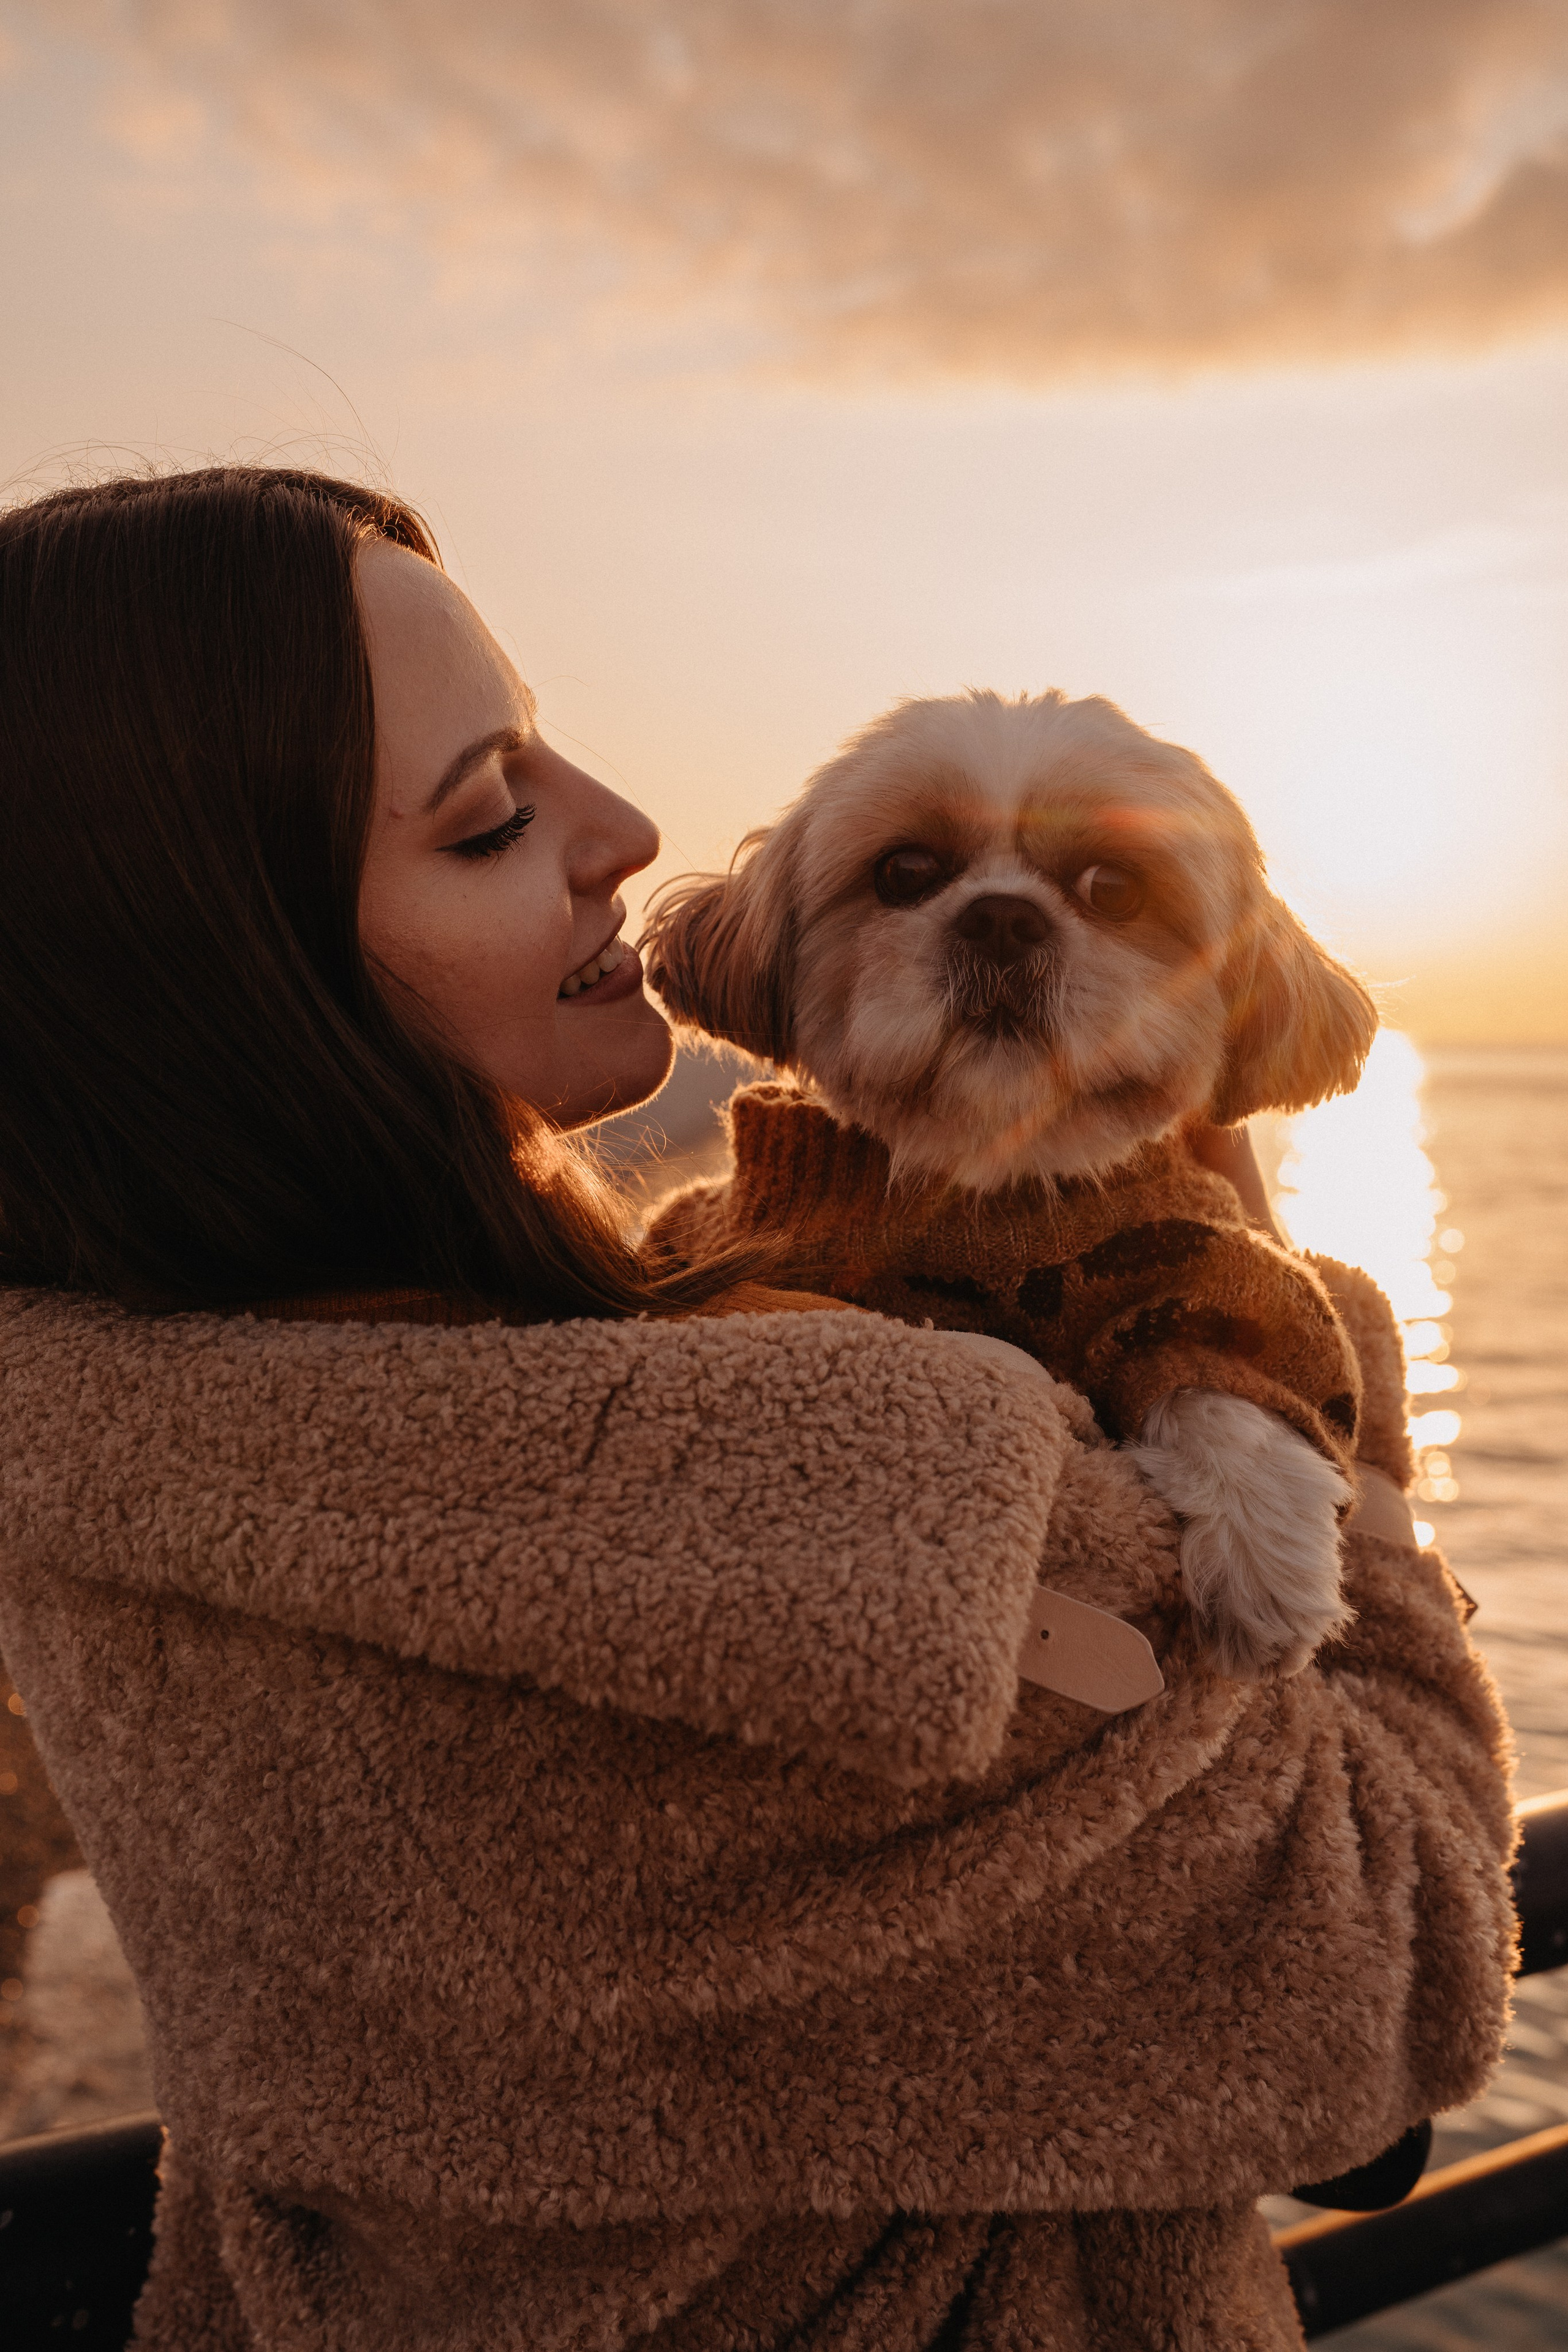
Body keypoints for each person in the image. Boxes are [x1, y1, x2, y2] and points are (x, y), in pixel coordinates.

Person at [0, 467, 1515, 2351]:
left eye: (548, 757)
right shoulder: (863, 1508)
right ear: (235, 979)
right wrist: (1303, 1353)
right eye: (488, 818)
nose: (624, 828)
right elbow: (1403, 1977)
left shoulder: (108, 1427)